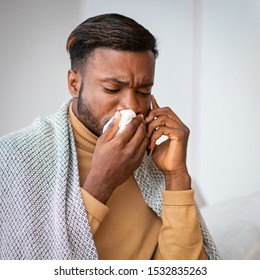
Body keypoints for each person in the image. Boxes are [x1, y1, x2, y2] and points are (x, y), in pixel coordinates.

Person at [0, 13, 220, 260]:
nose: (131, 107)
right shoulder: (14, 159)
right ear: (74, 84)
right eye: (112, 89)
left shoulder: (152, 157)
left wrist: (176, 175)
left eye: (143, 91)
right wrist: (101, 183)